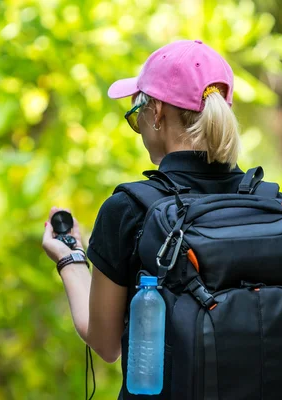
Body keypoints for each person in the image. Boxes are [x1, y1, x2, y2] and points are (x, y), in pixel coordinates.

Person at [42, 40, 246, 398]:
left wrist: (71, 260)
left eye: (136, 114)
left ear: (156, 113)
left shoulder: (130, 208)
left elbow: (105, 343)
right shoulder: (272, 205)